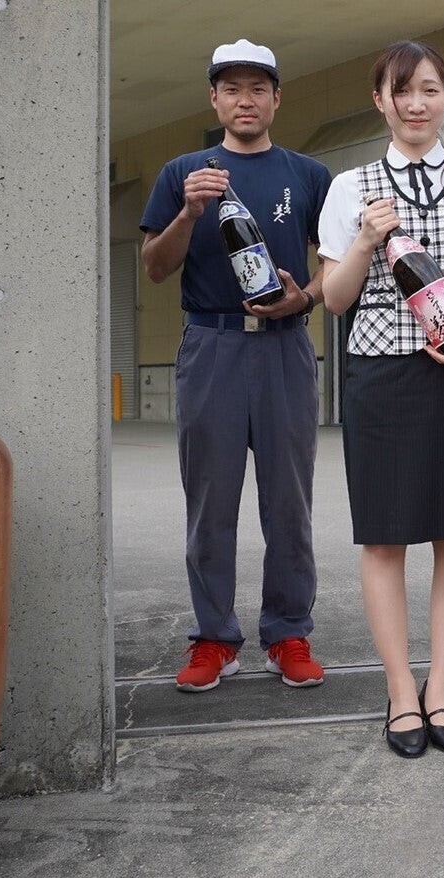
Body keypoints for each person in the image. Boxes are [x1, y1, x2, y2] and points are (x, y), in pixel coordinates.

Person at [318, 40, 444, 757]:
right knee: (385, 536)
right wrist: (364, 243)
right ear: (381, 101)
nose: (417, 103)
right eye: (402, 91)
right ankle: (401, 690)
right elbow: (334, 299)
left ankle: (441, 689)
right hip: (381, 375)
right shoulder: (350, 189)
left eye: (430, 89)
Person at [139, 39, 332, 693]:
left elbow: (337, 262)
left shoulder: (308, 174)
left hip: (285, 346)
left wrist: (305, 296)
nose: (244, 100)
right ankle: (214, 638)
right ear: (214, 98)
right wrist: (190, 212)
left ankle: (289, 632)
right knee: (210, 503)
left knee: (289, 502)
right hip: (211, 345)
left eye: (257, 88)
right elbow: (154, 267)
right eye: (231, 88)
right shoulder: (183, 172)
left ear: (276, 98)